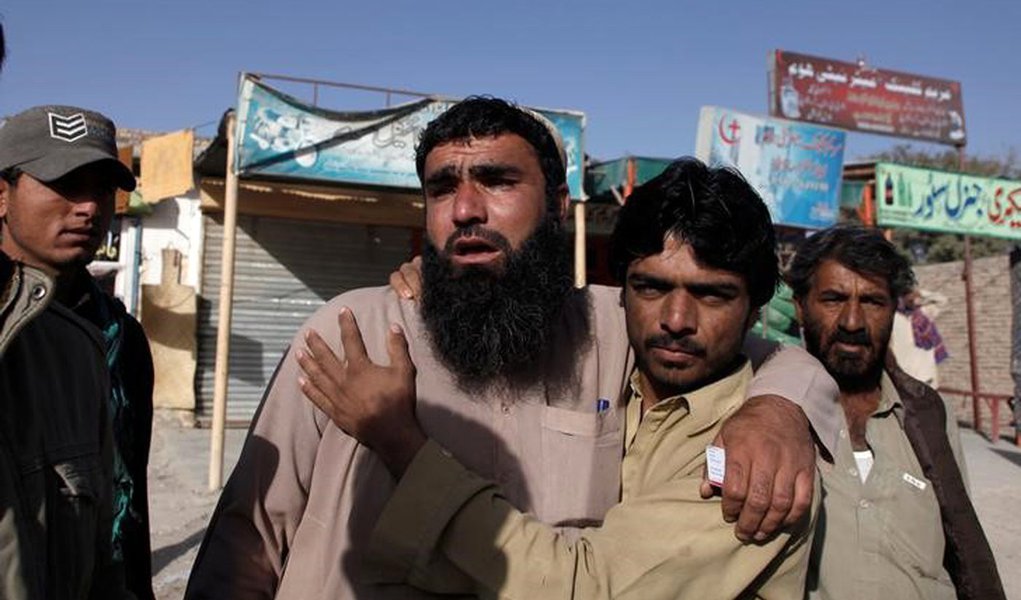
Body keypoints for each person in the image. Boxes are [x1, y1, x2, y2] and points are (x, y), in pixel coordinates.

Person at [185, 97, 821, 599]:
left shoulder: (614, 328)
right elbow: (250, 539)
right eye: (442, 188)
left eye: (496, 180)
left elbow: (755, 345)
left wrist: (779, 407)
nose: (465, 208)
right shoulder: (352, 334)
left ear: (558, 206)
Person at [785, 225, 1004, 600]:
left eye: (872, 301)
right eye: (834, 299)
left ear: (893, 310)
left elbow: (960, 539)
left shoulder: (929, 415)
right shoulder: (772, 409)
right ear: (800, 308)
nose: (852, 322)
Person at [0, 105, 155, 600]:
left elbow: (128, 499)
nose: (89, 207)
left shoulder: (119, 338)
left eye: (102, 190)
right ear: (1, 194)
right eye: (66, 184)